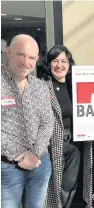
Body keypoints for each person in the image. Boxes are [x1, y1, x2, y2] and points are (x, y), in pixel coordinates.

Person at [1, 34, 54, 208]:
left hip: (40, 164)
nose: (26, 62)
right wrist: (18, 155)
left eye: (31, 57)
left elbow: (47, 122)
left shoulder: (40, 86)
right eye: (20, 55)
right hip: (7, 167)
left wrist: (35, 153)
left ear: (37, 59)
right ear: (8, 52)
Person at [41, 45, 81, 208]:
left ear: (69, 64)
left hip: (76, 138)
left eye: (63, 61)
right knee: (55, 183)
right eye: (55, 61)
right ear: (49, 64)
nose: (59, 65)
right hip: (52, 143)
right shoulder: (42, 87)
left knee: (70, 183)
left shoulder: (76, 85)